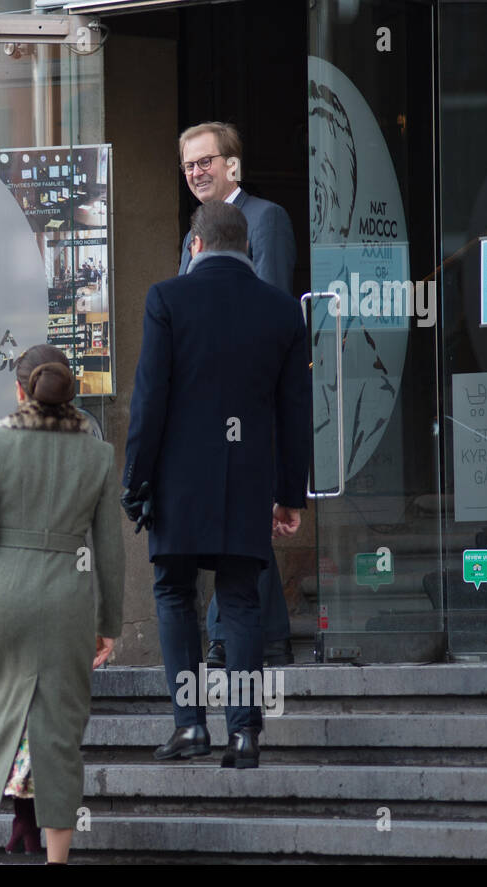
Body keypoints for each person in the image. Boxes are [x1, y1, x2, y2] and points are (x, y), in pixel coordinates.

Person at [123, 200, 310, 769]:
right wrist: (288, 494)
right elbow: (294, 411)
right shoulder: (281, 310)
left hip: (179, 479)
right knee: (240, 603)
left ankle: (190, 726)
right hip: (247, 479)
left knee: (175, 594)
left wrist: (137, 479)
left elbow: (149, 399)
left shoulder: (167, 298)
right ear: (248, 247)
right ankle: (245, 734)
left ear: (195, 245)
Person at [0, 345, 124, 864]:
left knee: (8, 709)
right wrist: (108, 623)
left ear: (21, 390)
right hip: (68, 598)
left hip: (4, 598)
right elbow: (109, 551)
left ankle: (17, 813)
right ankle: (56, 857)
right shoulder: (98, 453)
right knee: (60, 727)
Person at [176, 120, 299, 668]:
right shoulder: (194, 231)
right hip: (204, 405)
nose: (197, 172)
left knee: (243, 519)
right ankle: (259, 632)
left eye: (206, 161)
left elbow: (269, 306)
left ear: (233, 165)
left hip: (249, 400)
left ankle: (232, 633)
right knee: (236, 521)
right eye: (189, 165)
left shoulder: (265, 218)